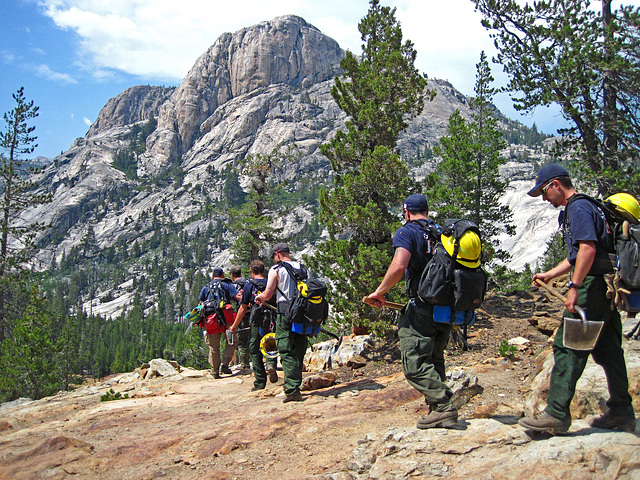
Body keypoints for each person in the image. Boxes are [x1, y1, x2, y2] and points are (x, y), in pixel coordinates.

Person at [519, 164, 636, 433]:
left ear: (556, 185)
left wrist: (574, 286)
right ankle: (622, 411)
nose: (545, 199)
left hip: (592, 290)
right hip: (605, 288)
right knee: (609, 351)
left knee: (567, 347)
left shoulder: (578, 208)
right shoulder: (591, 206)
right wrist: (550, 274)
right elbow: (576, 255)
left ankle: (556, 413)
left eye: (544, 192)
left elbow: (587, 249)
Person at [366, 194, 461, 429]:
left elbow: (400, 265)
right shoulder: (442, 232)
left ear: (406, 212)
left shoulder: (407, 231)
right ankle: (437, 410)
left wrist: (379, 292)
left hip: (422, 308)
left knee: (414, 363)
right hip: (446, 308)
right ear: (426, 211)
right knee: (434, 358)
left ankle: (443, 404)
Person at [255, 243, 307, 403]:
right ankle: (296, 383)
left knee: (285, 347)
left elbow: (269, 292)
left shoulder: (276, 269)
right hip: (302, 311)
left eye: (274, 256)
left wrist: (260, 297)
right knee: (299, 346)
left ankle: (292, 390)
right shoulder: (302, 267)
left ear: (278, 254)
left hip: (284, 311)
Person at [230, 260, 279, 390]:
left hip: (257, 320)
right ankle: (271, 364)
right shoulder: (271, 283)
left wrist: (235, 325)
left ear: (252, 271)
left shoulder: (249, 286)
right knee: (270, 342)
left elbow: (242, 308)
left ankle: (260, 381)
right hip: (272, 318)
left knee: (254, 348)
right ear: (263, 271)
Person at [198, 267, 242, 378]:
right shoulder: (227, 285)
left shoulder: (206, 287)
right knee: (231, 341)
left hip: (211, 319)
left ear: (213, 276)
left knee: (213, 346)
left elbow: (201, 304)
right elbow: (238, 297)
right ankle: (225, 365)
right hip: (227, 318)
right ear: (222, 276)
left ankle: (214, 371)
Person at [230, 266, 251, 370]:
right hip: (252, 313)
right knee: (253, 337)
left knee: (242, 340)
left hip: (241, 314)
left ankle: (245, 364)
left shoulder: (233, 286)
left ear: (232, 275)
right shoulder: (248, 282)